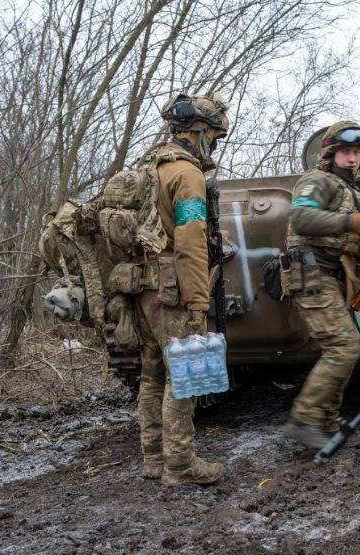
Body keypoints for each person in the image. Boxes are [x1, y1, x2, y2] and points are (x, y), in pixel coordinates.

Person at [134, 93, 229, 486]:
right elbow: (191, 242)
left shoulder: (147, 166)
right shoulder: (186, 174)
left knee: (152, 373)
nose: (216, 144)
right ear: (201, 131)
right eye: (216, 136)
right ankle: (180, 464)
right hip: (172, 286)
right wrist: (197, 301)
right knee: (185, 372)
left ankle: (154, 458)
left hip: (140, 286)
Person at [280, 121, 360, 448]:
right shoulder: (319, 181)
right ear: (331, 153)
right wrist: (352, 221)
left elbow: (356, 235)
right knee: (344, 348)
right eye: (345, 152)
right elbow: (300, 218)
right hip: (312, 275)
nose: (352, 158)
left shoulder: (352, 192)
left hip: (334, 276)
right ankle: (304, 418)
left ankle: (326, 421)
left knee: (341, 348)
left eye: (356, 152)